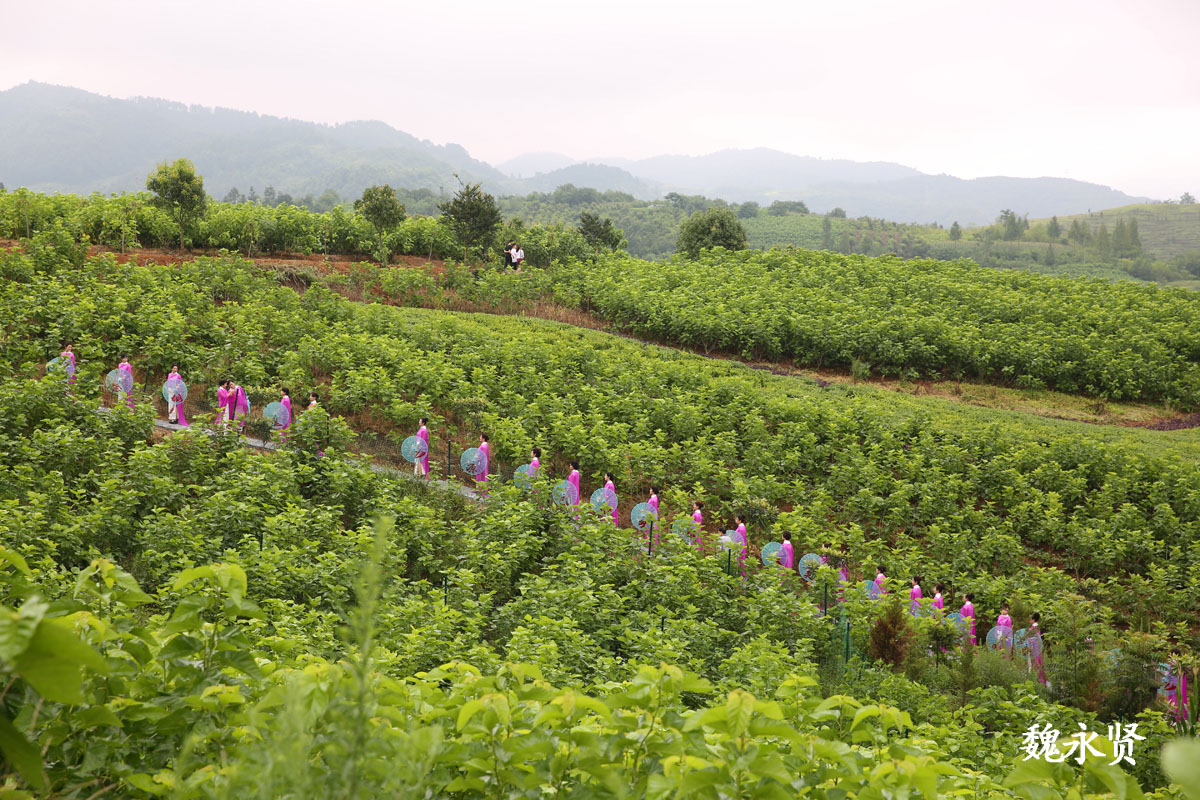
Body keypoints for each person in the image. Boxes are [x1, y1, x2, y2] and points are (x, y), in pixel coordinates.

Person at [1029, 612, 1047, 685]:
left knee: (1036, 662)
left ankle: (1038, 679)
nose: (1029, 620)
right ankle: (1039, 679)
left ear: (1033, 619)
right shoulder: (1036, 626)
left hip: (1035, 647)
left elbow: (1035, 637)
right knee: (1038, 661)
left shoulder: (1034, 627)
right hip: (1036, 647)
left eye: (1030, 619)